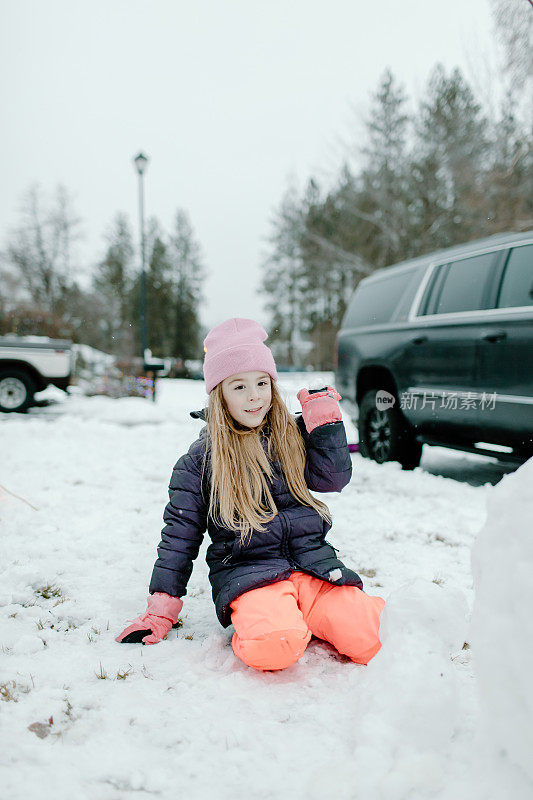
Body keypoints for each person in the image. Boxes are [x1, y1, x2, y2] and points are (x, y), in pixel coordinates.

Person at [116, 318, 385, 671]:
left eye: (262, 383)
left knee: (373, 638)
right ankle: (277, 620)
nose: (255, 395)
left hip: (314, 568)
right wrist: (161, 610)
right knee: (274, 647)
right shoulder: (200, 461)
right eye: (239, 386)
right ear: (220, 393)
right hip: (252, 576)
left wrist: (327, 425)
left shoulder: (292, 436)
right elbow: (179, 539)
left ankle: (306, 615)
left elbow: (332, 479)